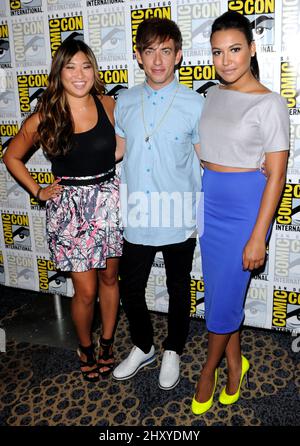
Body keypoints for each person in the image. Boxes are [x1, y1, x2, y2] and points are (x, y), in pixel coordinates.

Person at [3, 39, 123, 382]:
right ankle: (84, 347)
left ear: (94, 70)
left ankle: (108, 343)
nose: (79, 74)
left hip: (107, 204)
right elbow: (11, 157)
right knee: (85, 291)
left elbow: (127, 144)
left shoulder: (108, 104)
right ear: (59, 73)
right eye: (71, 67)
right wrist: (39, 190)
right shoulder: (46, 116)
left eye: (86, 66)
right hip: (69, 210)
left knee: (109, 279)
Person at [191, 11, 289, 415]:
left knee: (225, 296)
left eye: (234, 49)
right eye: (217, 52)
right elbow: (205, 149)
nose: (226, 60)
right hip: (210, 200)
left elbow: (278, 177)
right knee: (220, 295)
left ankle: (207, 370)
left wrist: (257, 236)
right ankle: (236, 363)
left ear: (252, 49)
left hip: (245, 209)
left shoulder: (270, 103)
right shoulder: (212, 94)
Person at [112, 18, 204, 391]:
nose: (158, 60)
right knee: (130, 286)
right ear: (138, 56)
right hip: (136, 213)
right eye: (149, 51)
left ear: (178, 54)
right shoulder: (125, 101)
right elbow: (117, 151)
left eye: (166, 51)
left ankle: (174, 349)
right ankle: (144, 345)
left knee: (178, 286)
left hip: (179, 212)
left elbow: (208, 158)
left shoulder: (196, 103)